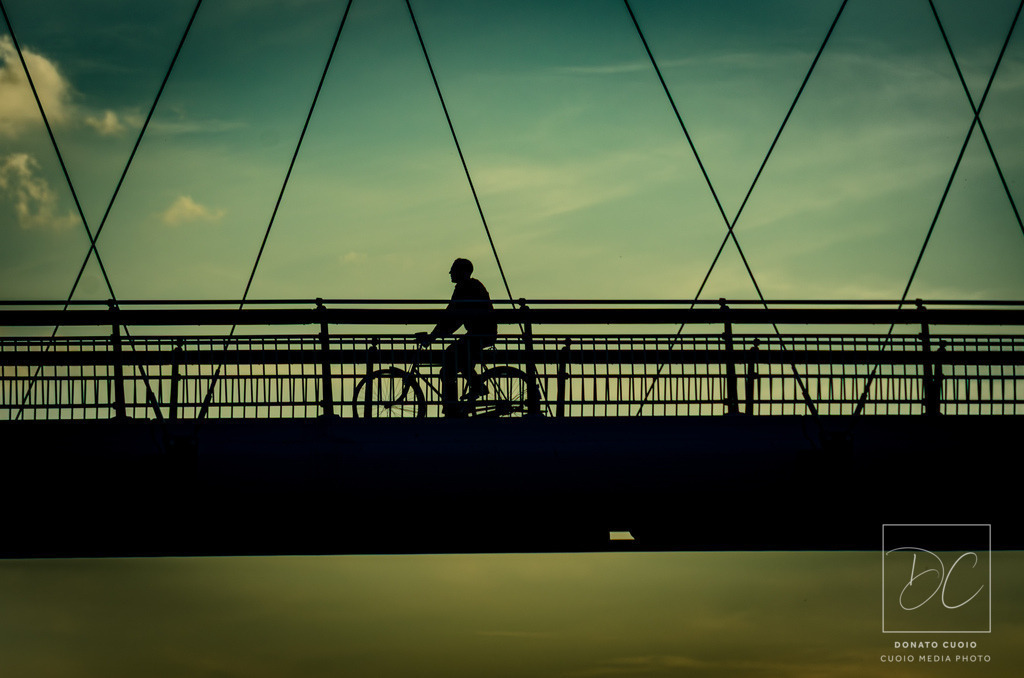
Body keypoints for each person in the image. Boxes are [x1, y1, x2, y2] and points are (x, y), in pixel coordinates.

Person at [418, 258, 497, 417]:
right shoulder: (471, 286)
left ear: (462, 272)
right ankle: (457, 403)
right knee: (453, 361)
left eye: (453, 269)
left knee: (452, 355)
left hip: (480, 333)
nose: (450, 273)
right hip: (482, 332)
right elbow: (452, 316)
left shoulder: (465, 288)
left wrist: (433, 336)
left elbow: (452, 316)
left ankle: (461, 399)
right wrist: (437, 334)